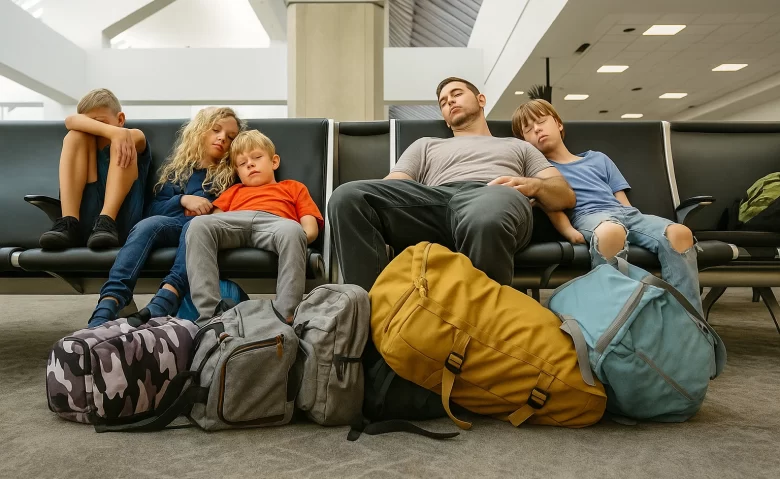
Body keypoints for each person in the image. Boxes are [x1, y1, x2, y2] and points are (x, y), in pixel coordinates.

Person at [327, 77, 575, 292]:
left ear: (481, 99)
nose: (450, 102)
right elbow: (394, 186)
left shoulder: (518, 146)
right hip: (434, 200)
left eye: (456, 94)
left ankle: (482, 323)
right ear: (445, 120)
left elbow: (565, 195)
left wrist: (533, 186)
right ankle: (371, 316)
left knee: (485, 217)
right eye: (444, 102)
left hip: (491, 194)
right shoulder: (426, 145)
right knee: (348, 196)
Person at [514, 99, 702, 312]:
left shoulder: (598, 159)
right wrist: (568, 232)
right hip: (589, 216)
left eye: (541, 122)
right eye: (528, 129)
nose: (537, 129)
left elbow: (621, 200)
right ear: (524, 141)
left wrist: (634, 223)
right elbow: (550, 206)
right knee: (611, 232)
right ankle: (616, 319)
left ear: (558, 124)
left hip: (625, 214)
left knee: (680, 233)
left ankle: (688, 320)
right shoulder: (541, 174)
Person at [87, 107, 243, 327]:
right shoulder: (179, 171)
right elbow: (155, 209)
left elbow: (237, 207)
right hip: (173, 225)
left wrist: (212, 210)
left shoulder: (233, 175)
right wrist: (183, 200)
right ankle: (108, 302)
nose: (222, 138)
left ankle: (165, 300)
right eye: (216, 130)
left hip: (203, 232)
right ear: (200, 131)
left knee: (196, 227)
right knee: (146, 225)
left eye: (231, 137)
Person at [185, 130, 323, 325]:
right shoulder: (234, 191)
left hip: (275, 224)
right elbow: (215, 221)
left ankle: (285, 315)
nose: (250, 164)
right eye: (242, 163)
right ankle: (210, 316)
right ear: (238, 173)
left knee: (293, 230)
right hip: (235, 221)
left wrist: (297, 239)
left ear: (274, 162)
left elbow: (310, 229)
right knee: (198, 225)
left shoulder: (293, 187)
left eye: (257, 157)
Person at [39, 88, 152, 250]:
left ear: (120, 119)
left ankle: (107, 221)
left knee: (125, 139)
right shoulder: (83, 140)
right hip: (83, 226)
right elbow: (70, 121)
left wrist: (118, 135)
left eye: (101, 123)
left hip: (121, 226)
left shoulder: (134, 136)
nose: (95, 131)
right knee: (74, 136)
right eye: (90, 125)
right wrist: (111, 131)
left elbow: (134, 137)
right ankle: (69, 223)